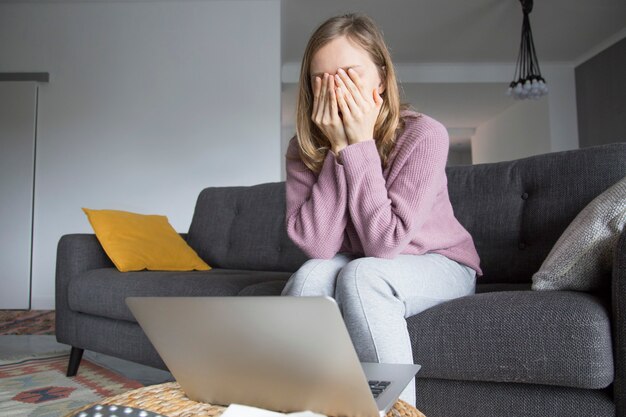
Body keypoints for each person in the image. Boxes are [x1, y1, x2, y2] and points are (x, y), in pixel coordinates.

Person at [281, 13, 482, 406]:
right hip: (367, 260)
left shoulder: (423, 134)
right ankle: (304, 407)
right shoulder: (301, 149)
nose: (336, 90)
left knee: (363, 276)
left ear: (381, 78)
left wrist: (357, 148)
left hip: (439, 261)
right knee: (308, 279)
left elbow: (384, 243)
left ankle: (394, 413)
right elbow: (318, 245)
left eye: (350, 75)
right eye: (322, 80)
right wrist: (338, 150)